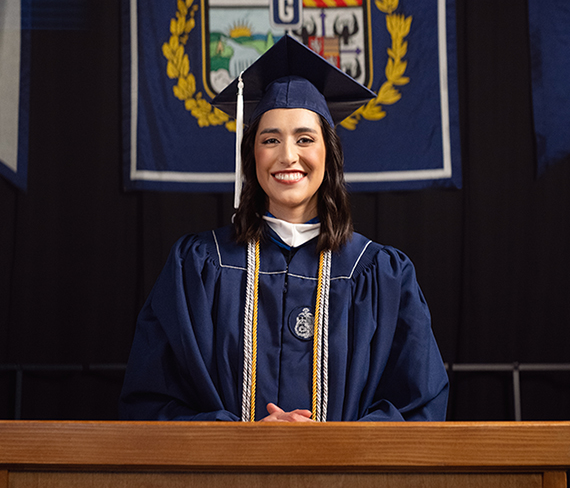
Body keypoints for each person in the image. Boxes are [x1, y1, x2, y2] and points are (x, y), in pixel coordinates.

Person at [119, 36, 449, 422]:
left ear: (329, 154)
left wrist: (330, 446)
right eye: (270, 139)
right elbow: (149, 403)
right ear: (252, 156)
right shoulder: (198, 267)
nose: (287, 156)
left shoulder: (381, 275)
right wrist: (243, 440)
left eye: (305, 139)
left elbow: (420, 407)